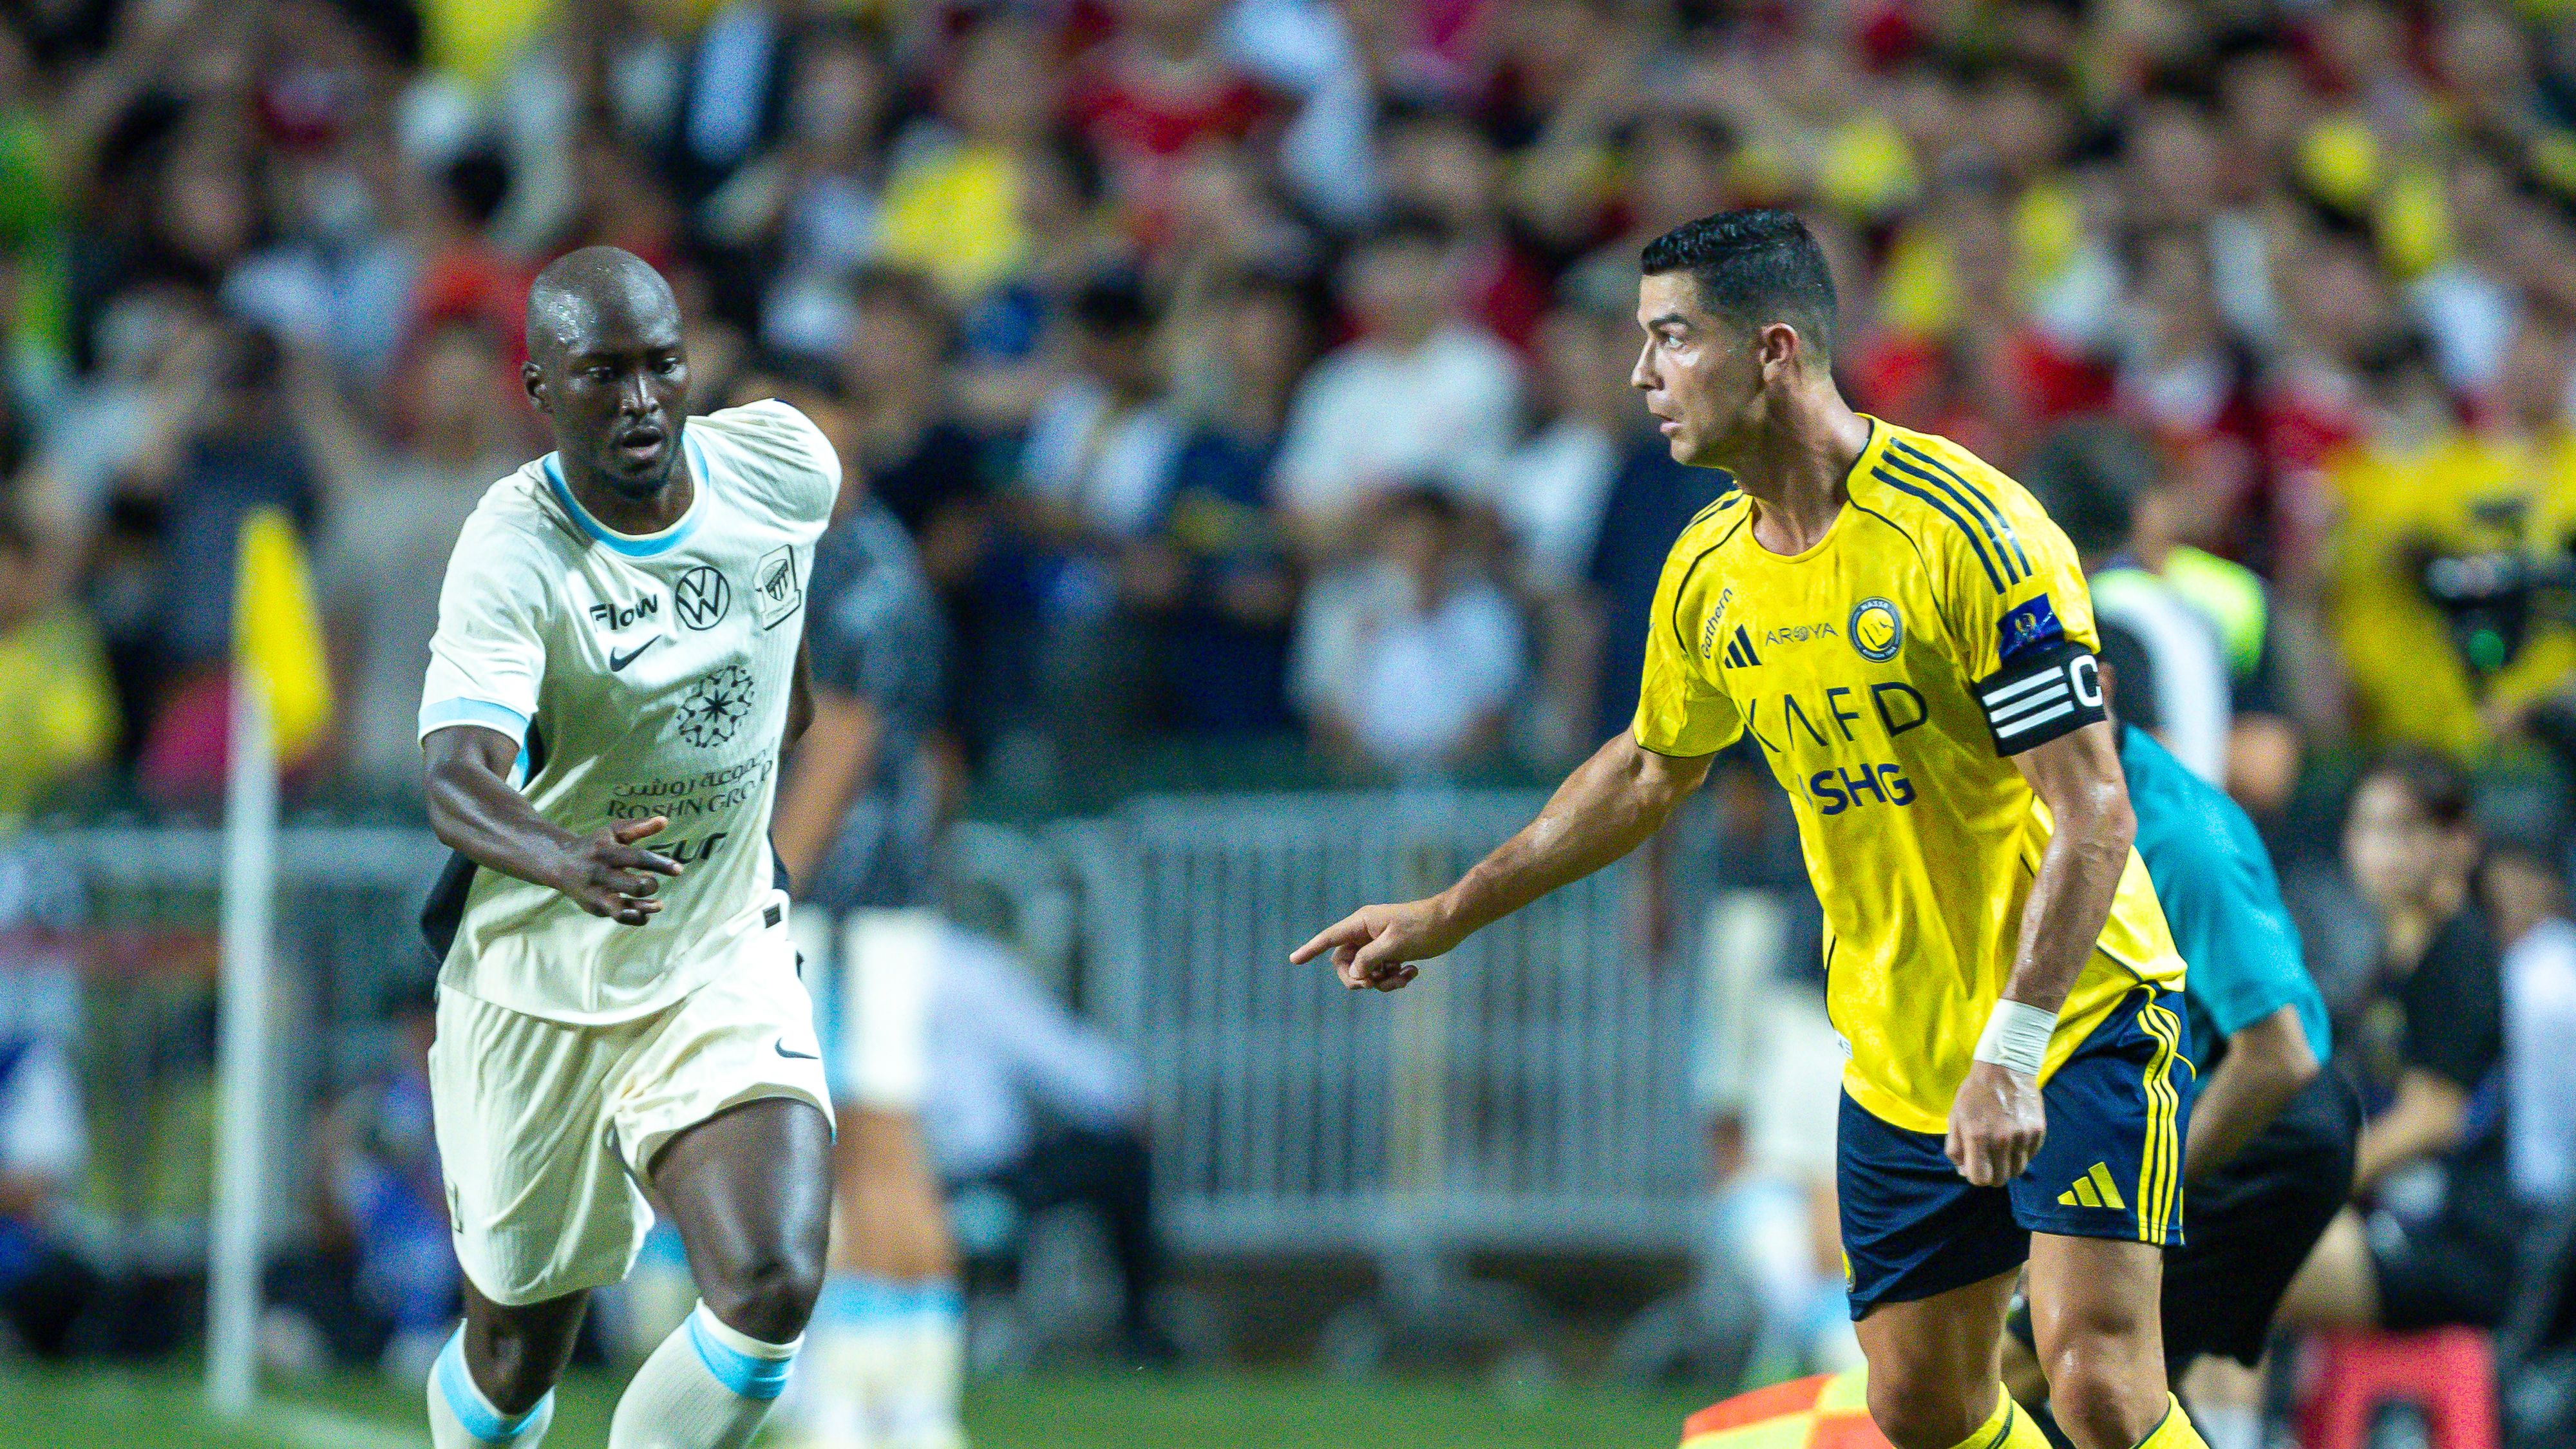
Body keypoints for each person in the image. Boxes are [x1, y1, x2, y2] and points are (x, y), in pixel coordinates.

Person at [1293, 209, 2206, 1449]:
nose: (1640, 375)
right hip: (1898, 1049)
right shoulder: (1710, 567)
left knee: (2096, 1380)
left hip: (2076, 1014)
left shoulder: (1969, 533)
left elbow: (2092, 811)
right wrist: (1450, 914)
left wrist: (2014, 1047)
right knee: (1925, 1408)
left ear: (1773, 350)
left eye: (1672, 339)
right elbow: (1645, 772)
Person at [415, 247, 838, 1449]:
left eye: (663, 365)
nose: (644, 400)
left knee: (769, 1288)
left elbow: (783, 666)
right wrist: (567, 857)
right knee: (511, 1363)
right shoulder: (514, 550)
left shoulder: (783, 465)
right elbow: (453, 778)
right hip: (535, 983)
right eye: (603, 374)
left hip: (714, 954)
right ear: (541, 389)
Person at [2000, 655, 2354, 1449]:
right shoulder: (2032, 803)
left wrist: (2138, 1202)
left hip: (2259, 1136)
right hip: (2158, 1116)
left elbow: (2279, 1056)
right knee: (2103, 1386)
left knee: (2033, 1370)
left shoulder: (2180, 837)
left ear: (2097, 684)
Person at [762, 366, 964, 1449]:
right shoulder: (850, 560)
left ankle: (893, 1396)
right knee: (860, 1138)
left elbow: (843, 738)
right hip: (878, 894)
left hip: (851, 900)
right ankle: (888, 1390)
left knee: (868, 1137)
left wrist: (771, 886)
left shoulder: (854, 566)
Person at [2277, 751, 2517, 1336]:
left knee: (2234, 1259)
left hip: (2451, 1240)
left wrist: (2310, 1183)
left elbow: (2435, 1118)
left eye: (2403, 828)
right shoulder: (2389, 961)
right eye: (2366, 826)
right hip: (2391, 1219)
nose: (2380, 848)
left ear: (2460, 841)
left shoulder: (2459, 951)